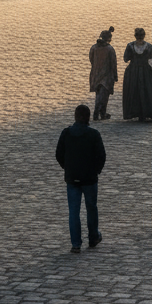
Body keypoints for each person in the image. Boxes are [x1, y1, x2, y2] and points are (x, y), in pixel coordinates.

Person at [55, 104, 106, 253]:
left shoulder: (66, 133)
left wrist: (68, 168)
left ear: (75, 117)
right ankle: (93, 237)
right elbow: (101, 156)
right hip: (89, 178)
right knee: (91, 208)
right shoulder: (94, 135)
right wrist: (96, 171)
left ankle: (75, 243)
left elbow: (59, 154)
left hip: (72, 178)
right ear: (88, 118)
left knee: (73, 211)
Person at [122, 28, 152, 121]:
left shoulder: (130, 46)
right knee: (147, 91)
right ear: (144, 35)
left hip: (133, 71)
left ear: (135, 36)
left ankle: (135, 112)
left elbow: (126, 58)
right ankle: (146, 112)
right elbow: (150, 57)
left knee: (134, 91)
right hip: (146, 71)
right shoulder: (149, 46)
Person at [89, 27, 118, 121]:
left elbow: (91, 59)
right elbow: (113, 63)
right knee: (104, 96)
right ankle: (99, 113)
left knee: (98, 94)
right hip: (107, 75)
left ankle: (99, 113)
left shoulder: (94, 47)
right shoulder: (110, 49)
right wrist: (115, 75)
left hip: (95, 74)